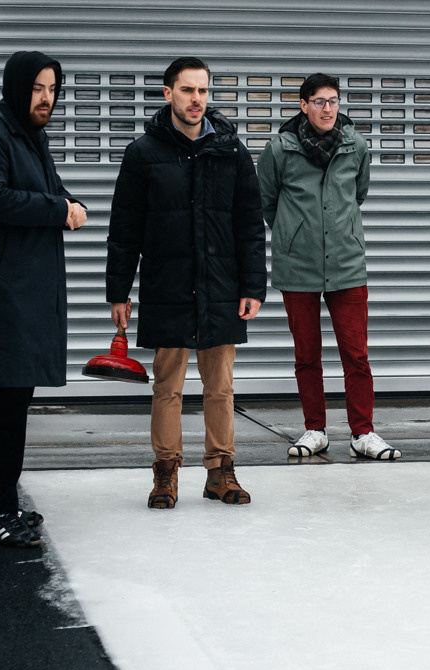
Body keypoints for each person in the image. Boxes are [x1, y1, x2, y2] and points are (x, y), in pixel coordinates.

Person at [107, 56, 266, 509]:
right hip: (167, 286)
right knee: (167, 386)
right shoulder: (143, 153)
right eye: (187, 90)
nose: (196, 99)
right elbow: (124, 229)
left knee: (220, 386)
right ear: (168, 94)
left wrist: (253, 285)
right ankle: (165, 473)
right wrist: (118, 291)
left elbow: (249, 224)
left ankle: (221, 471)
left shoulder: (231, 151)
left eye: (202, 90)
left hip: (220, 286)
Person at [0, 51, 87, 547]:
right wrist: (58, 210)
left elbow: (52, 190)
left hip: (23, 294)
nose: (46, 98)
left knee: (9, 403)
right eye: (37, 88)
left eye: (52, 88)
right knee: (3, 406)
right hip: (0, 296)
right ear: (15, 87)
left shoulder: (30, 138)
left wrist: (73, 203)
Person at [259, 73, 401, 461]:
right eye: (319, 101)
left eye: (333, 101)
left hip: (346, 262)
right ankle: (315, 429)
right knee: (307, 355)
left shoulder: (355, 145)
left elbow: (359, 193)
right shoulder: (279, 148)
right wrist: (294, 233)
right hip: (298, 265)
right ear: (303, 105)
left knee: (356, 353)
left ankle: (363, 433)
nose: (327, 108)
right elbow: (266, 202)